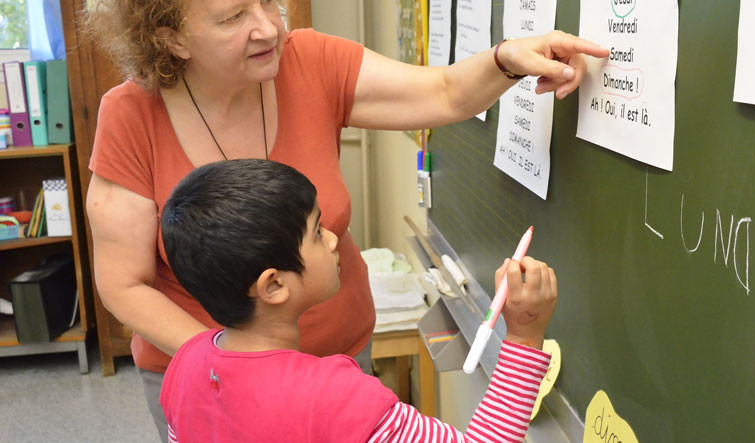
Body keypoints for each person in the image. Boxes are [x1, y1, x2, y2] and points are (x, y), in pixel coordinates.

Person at [82, 0, 605, 439]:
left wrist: (506, 59)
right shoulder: (130, 116)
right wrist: (245, 373)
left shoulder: (309, 60)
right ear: (171, 38)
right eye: (233, 17)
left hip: (335, 360)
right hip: (211, 380)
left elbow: (444, 93)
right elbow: (124, 283)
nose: (267, 27)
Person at [159, 159, 558, 442]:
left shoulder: (186, 363)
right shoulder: (337, 399)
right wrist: (523, 336)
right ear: (274, 285)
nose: (333, 239)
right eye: (316, 233)